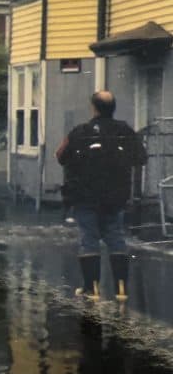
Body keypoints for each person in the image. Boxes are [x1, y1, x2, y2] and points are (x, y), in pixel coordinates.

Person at [55, 90, 147, 299]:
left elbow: (60, 156)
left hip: (85, 196)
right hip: (115, 197)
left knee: (89, 238)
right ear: (113, 108)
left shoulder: (80, 132)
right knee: (116, 237)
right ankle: (121, 288)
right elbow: (141, 157)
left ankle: (92, 288)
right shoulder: (125, 131)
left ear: (93, 108)